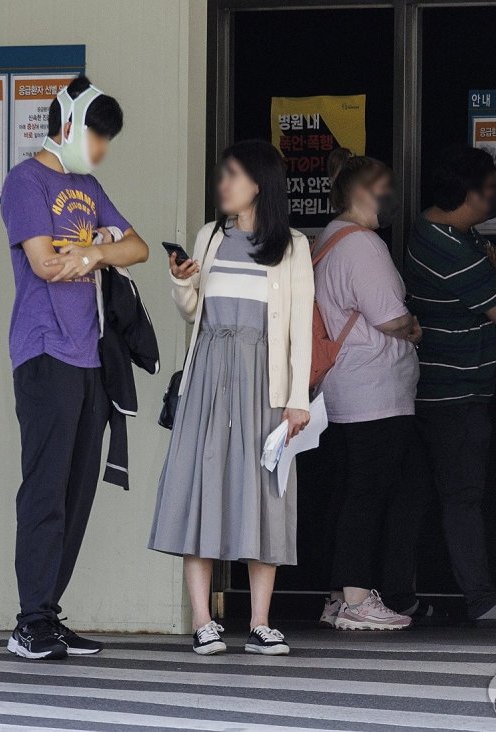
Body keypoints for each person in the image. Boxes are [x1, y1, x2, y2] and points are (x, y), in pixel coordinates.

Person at [0, 75, 149, 660]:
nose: (101, 148)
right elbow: (42, 263)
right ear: (66, 127)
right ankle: (29, 621)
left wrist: (88, 252)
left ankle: (47, 613)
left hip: (91, 356)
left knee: (78, 490)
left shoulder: (88, 185)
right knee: (46, 490)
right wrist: (89, 250)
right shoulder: (24, 181)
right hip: (44, 351)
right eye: (95, 135)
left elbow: (134, 245)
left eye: (106, 139)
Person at [148, 140, 314, 656]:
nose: (223, 185)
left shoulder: (292, 245)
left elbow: (301, 330)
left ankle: (260, 621)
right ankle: (203, 620)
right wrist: (181, 282)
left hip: (264, 379)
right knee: (201, 486)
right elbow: (191, 310)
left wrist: (298, 397)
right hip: (209, 376)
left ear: (259, 184)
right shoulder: (209, 237)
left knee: (263, 492)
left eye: (233, 176)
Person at [404, 144, 496, 626]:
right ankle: (482, 600)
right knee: (461, 497)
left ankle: (402, 595)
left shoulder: (440, 232)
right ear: (471, 194)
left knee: (426, 495)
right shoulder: (451, 247)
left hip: (441, 392)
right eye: (493, 186)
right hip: (454, 397)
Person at [312, 149, 422, 631]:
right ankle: (358, 599)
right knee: (369, 494)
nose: (392, 196)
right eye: (385, 187)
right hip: (373, 389)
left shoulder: (330, 238)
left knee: (349, 490)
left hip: (345, 388)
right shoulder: (363, 245)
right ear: (361, 193)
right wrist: (413, 327)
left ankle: (338, 595)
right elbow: (390, 316)